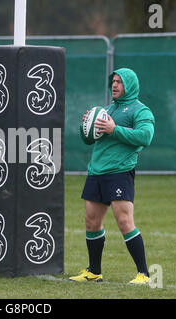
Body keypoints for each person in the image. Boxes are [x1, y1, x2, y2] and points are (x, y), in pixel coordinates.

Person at [70, 68, 155, 285]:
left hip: (120, 172)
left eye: (120, 82)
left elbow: (145, 137)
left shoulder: (140, 111)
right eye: (113, 81)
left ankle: (143, 274)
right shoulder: (106, 110)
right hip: (97, 171)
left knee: (125, 221)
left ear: (130, 85)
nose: (114, 85)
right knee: (91, 222)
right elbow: (90, 140)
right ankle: (94, 272)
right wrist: (85, 127)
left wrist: (114, 129)